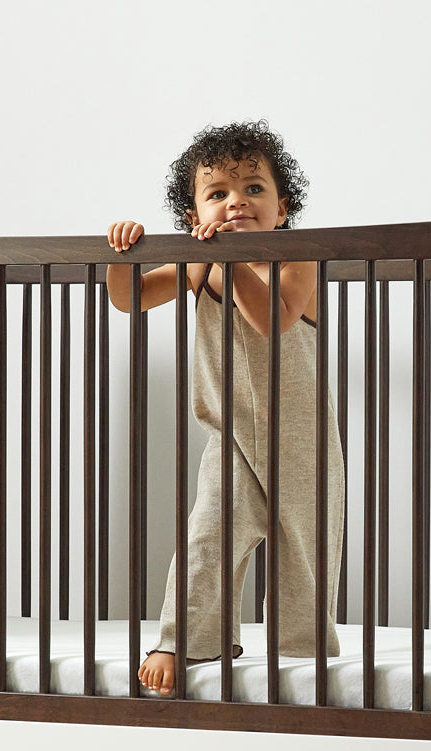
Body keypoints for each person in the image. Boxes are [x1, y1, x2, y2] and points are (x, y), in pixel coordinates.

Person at [106, 120, 343, 695]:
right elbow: (128, 298)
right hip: (231, 438)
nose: (237, 201)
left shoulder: (299, 261)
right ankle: (183, 639)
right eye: (218, 194)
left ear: (282, 209)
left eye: (253, 189)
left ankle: (301, 652)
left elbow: (274, 320)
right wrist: (122, 252)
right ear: (194, 221)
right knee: (206, 538)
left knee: (304, 552)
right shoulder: (198, 265)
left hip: (303, 442)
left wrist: (235, 263)